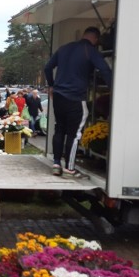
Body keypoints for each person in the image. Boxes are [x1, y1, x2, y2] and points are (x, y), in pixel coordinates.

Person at [44, 26, 112, 178]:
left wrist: (51, 85)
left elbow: (48, 67)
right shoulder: (90, 50)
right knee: (74, 134)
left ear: (83, 34)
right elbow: (105, 70)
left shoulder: (64, 48)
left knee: (59, 129)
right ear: (95, 38)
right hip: (75, 97)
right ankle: (70, 167)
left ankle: (56, 163)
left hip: (59, 96)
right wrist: (112, 89)